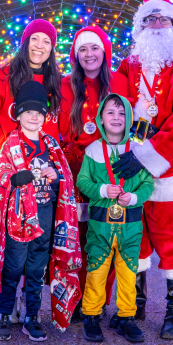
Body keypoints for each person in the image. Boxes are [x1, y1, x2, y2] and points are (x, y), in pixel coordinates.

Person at [112, 0, 173, 340]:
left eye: (162, 19)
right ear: (140, 26)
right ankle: (133, 302)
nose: (156, 24)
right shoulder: (130, 64)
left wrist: (146, 156)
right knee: (133, 239)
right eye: (149, 19)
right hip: (131, 169)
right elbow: (113, 107)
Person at [0, 81, 81, 340]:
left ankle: (32, 316)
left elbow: (65, 179)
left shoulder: (52, 146)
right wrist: (14, 178)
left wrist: (55, 176)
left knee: (37, 269)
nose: (34, 116)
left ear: (45, 116)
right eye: (28, 111)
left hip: (45, 216)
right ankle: (4, 314)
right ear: (18, 114)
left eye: (39, 112)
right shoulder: (10, 144)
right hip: (18, 217)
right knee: (13, 267)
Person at [59, 26, 131, 321]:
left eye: (95, 48)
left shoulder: (123, 83)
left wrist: (134, 158)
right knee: (76, 238)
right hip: (75, 170)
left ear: (105, 51)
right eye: (83, 50)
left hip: (111, 169)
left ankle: (97, 299)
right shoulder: (65, 85)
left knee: (107, 236)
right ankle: (73, 297)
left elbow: (137, 120)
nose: (89, 55)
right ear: (76, 55)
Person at [77, 94, 154, 343]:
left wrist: (133, 197)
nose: (116, 117)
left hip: (130, 226)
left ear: (130, 118)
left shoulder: (138, 151)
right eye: (110, 112)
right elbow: (82, 181)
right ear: (100, 118)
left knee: (128, 272)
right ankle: (91, 314)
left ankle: (126, 317)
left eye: (122, 113)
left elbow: (147, 184)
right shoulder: (92, 150)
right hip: (100, 224)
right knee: (97, 270)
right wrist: (101, 190)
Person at [0, 19, 64, 147]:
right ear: (25, 42)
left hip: (48, 163)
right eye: (34, 38)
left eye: (46, 41)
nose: (39, 45)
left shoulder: (58, 81)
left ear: (51, 48)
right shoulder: (3, 77)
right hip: (10, 160)